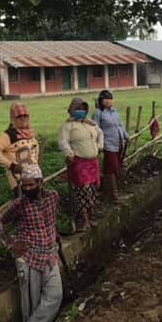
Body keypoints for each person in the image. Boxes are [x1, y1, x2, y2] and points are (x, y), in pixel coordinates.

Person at [0, 164, 63, 322]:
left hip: (49, 255)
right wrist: (10, 243)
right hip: (29, 257)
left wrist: (54, 235)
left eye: (31, 185)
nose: (27, 189)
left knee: (55, 295)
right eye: (24, 186)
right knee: (31, 303)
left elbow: (51, 219)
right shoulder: (20, 205)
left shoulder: (53, 197)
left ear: (41, 182)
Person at [57, 97, 103, 231]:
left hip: (93, 162)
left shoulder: (90, 123)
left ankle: (91, 215)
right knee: (83, 190)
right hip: (79, 163)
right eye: (78, 109)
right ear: (71, 110)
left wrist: (100, 145)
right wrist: (69, 153)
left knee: (93, 189)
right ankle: (85, 220)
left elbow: (100, 133)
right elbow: (63, 141)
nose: (81, 111)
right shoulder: (68, 126)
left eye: (83, 109)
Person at [0, 102, 40, 195]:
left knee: (36, 204)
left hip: (34, 176)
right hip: (19, 180)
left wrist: (35, 163)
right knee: (23, 205)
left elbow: (35, 148)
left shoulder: (30, 132)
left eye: (25, 115)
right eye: (19, 116)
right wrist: (11, 166)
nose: (23, 118)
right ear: (13, 118)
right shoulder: (9, 135)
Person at [93, 90, 128, 204]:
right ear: (101, 101)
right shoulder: (98, 113)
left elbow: (120, 125)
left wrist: (126, 135)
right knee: (112, 168)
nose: (109, 101)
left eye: (110, 98)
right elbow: (95, 129)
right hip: (108, 144)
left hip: (119, 143)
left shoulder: (114, 112)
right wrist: (99, 144)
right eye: (106, 99)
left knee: (116, 167)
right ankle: (114, 195)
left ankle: (107, 192)